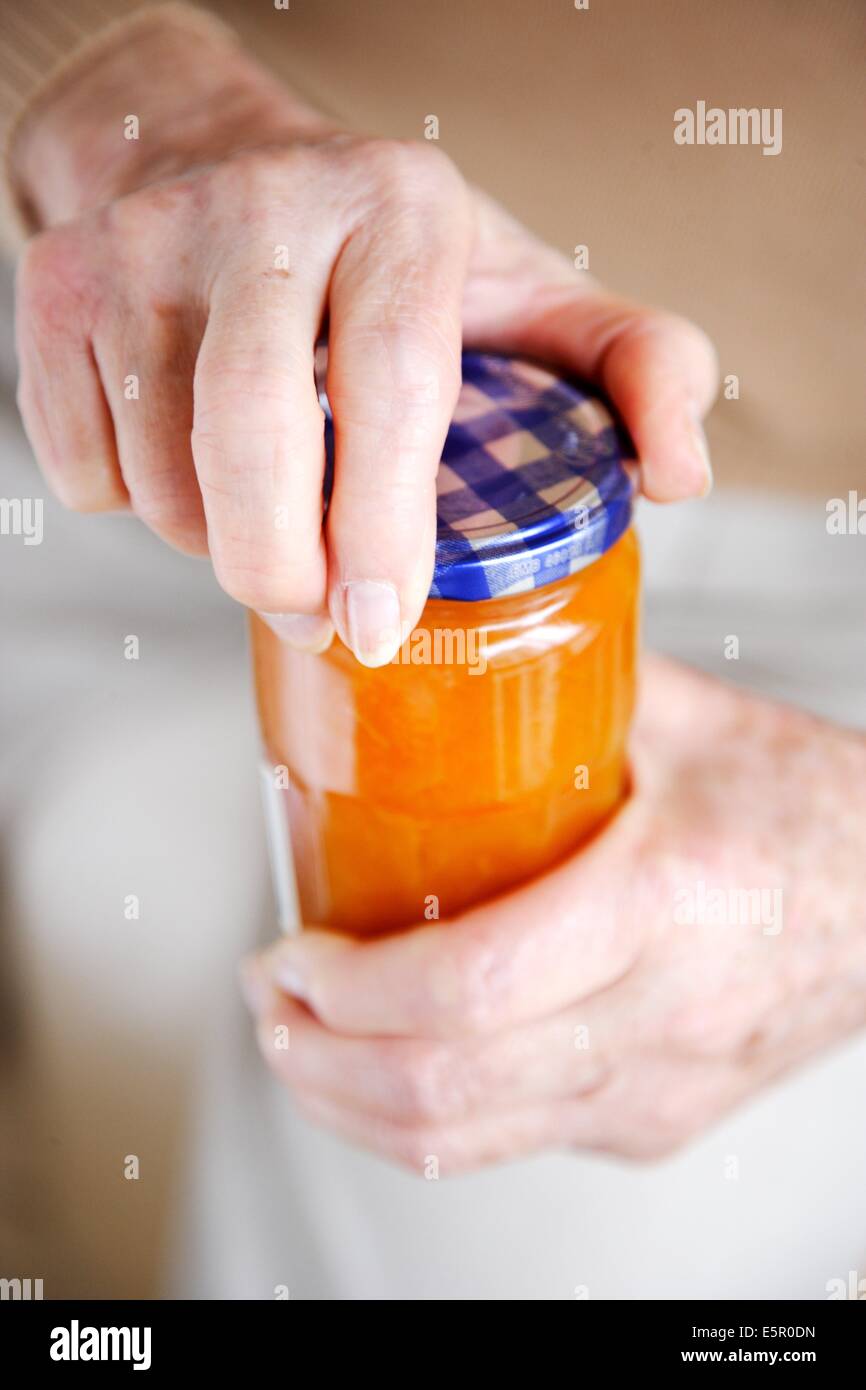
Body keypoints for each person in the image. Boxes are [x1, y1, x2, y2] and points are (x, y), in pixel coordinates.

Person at [2, 1, 864, 1299]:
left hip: (810, 575)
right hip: (176, 330)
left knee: (477, 1182)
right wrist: (122, 93)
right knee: (108, 916)